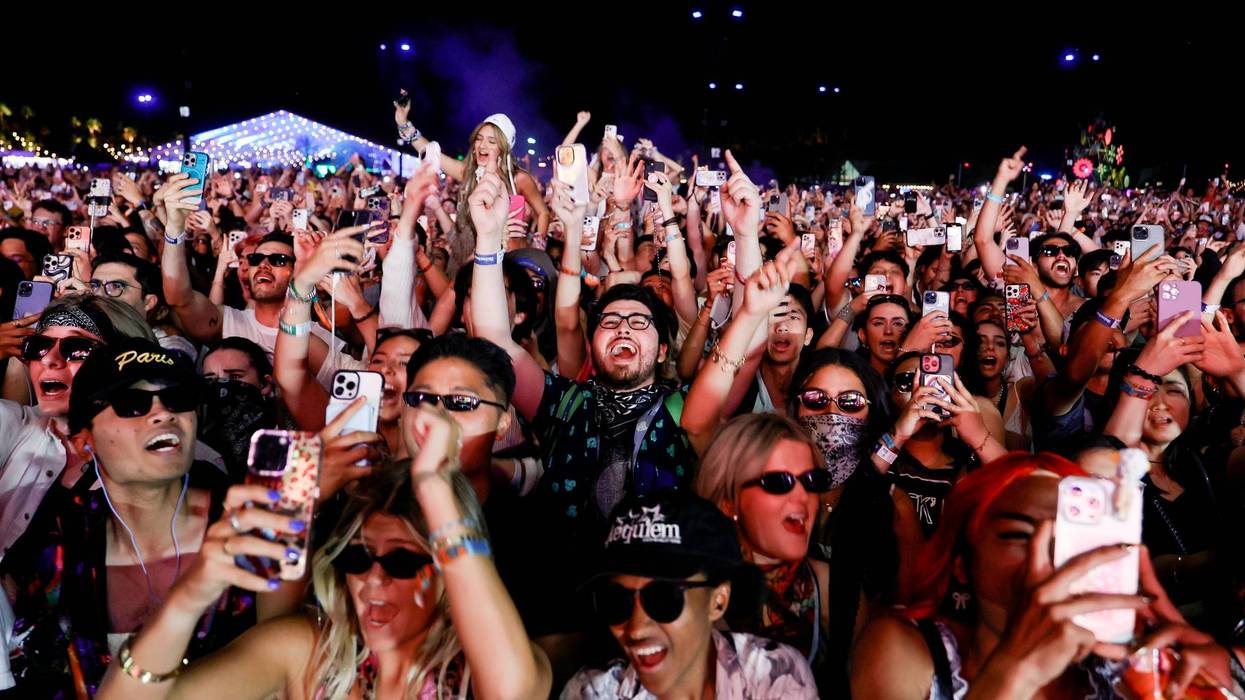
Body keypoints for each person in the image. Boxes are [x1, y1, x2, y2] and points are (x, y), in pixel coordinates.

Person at [96, 404, 551, 700]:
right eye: (357, 558)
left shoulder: (482, 667)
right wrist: (192, 594)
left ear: (451, 572)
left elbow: (514, 691)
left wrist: (435, 488)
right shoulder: (310, 650)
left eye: (401, 562)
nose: (372, 580)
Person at [3, 338, 279, 697]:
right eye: (131, 404)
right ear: (85, 442)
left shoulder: (249, 521)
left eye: (178, 398)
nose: (164, 414)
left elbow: (283, 664)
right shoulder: (52, 550)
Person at [851, 452, 1239, 700]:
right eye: (1019, 535)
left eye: (1069, 537)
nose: (1049, 555)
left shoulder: (1120, 667)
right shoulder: (904, 649)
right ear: (962, 564)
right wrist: (1016, 672)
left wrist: (1209, 689)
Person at [563, 491, 818, 699]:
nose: (636, 629)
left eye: (664, 599)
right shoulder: (592, 693)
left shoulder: (774, 676)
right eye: (616, 601)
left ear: (718, 601)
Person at [694, 413, 843, 694]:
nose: (802, 497)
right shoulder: (691, 593)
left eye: (812, 480)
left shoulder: (828, 584)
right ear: (728, 501)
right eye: (779, 482)